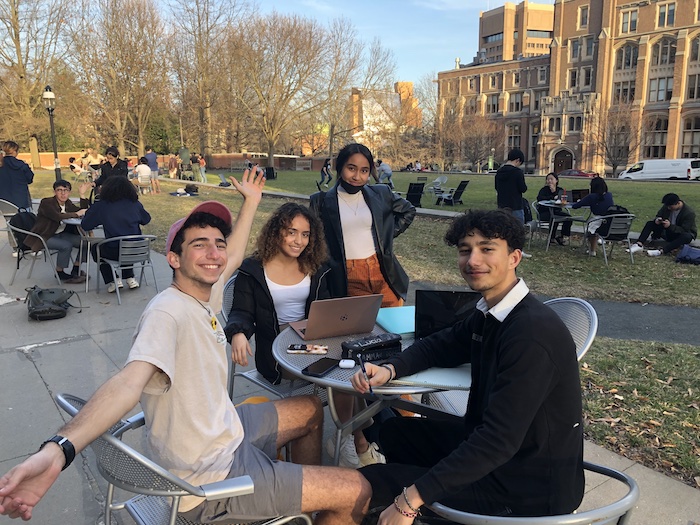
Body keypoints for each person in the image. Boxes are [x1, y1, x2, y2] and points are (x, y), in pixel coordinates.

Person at [0, 169, 373, 525]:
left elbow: (233, 253)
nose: (213, 252)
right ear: (174, 260)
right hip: (208, 481)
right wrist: (58, 450)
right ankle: (296, 495)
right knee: (357, 488)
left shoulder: (201, 300)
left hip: (226, 431)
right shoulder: (167, 312)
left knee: (309, 407)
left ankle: (298, 500)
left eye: (218, 244)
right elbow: (128, 383)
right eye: (199, 245)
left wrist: (251, 204)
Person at [353, 209, 584, 519]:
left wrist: (408, 500)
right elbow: (441, 345)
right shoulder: (491, 313)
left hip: (527, 486)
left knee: (371, 484)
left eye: (487, 248)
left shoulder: (531, 333)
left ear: (514, 258)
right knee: (396, 432)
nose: (473, 260)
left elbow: (496, 442)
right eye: (465, 250)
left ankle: (416, 507)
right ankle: (434, 507)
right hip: (499, 455)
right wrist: (391, 368)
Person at [309, 142, 415, 467]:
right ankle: (353, 437)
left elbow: (407, 211)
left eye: (364, 169)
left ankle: (410, 428)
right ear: (340, 168)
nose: (357, 175)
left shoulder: (381, 193)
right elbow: (314, 242)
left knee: (401, 350)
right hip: (348, 281)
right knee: (350, 361)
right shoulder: (321, 201)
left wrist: (386, 240)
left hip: (382, 275)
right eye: (351, 168)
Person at [224, 203, 331, 385]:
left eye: (305, 235)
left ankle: (363, 414)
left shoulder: (315, 267)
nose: (299, 241)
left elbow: (326, 308)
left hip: (312, 339)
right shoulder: (253, 270)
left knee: (351, 364)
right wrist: (238, 333)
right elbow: (241, 311)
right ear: (276, 232)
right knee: (338, 370)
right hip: (276, 346)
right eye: (292, 232)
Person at [81, 175, 151, 292]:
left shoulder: (102, 206)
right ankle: (130, 278)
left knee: (96, 249)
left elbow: (86, 225)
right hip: (140, 251)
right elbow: (146, 219)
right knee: (126, 242)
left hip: (116, 251)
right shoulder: (135, 204)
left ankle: (113, 280)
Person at [26, 180, 91, 283]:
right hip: (44, 236)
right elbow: (57, 216)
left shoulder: (68, 203)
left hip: (60, 234)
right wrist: (76, 214)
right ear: (54, 192)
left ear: (69, 192)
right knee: (66, 246)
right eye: (59, 190)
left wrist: (82, 194)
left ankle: (76, 269)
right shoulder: (46, 202)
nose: (63, 193)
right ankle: (60, 273)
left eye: (66, 190)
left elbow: (82, 211)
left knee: (86, 242)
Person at [629, 193, 696, 257]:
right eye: (667, 206)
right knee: (650, 224)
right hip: (667, 230)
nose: (669, 208)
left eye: (670, 207)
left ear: (678, 203)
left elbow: (684, 230)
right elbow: (658, 215)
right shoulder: (667, 206)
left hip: (679, 234)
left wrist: (670, 226)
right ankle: (639, 244)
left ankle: (662, 251)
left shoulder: (689, 213)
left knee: (686, 236)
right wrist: (658, 220)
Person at [571, 176, 614, 257]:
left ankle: (592, 250)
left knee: (591, 228)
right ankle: (593, 247)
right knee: (593, 226)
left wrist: (581, 201)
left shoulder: (592, 196)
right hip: (609, 221)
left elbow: (576, 206)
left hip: (598, 221)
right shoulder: (609, 195)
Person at [536, 172, 573, 245]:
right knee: (554, 218)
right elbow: (540, 198)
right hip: (544, 212)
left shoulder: (560, 190)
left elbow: (564, 199)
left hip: (557, 211)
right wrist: (552, 196)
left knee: (568, 218)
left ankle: (562, 237)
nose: (549, 181)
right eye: (548, 179)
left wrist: (554, 192)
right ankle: (551, 238)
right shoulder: (544, 190)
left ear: (556, 180)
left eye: (551, 179)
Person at [495, 149, 527, 224]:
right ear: (517, 160)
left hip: (502, 206)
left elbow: (497, 187)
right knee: (518, 230)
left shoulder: (499, 172)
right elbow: (523, 188)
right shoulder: (517, 172)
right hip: (515, 206)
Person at [0, 141, 34, 211]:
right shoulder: (22, 166)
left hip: (3, 203)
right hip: (21, 203)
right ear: (15, 152)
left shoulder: (1, 164)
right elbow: (30, 179)